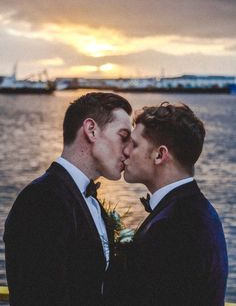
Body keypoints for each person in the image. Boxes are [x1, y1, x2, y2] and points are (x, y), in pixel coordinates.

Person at [4, 92, 132, 306]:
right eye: (123, 136)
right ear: (91, 130)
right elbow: (38, 294)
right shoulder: (42, 200)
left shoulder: (90, 202)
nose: (128, 151)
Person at [122, 102, 228, 306]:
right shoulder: (196, 210)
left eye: (134, 144)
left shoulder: (171, 227)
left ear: (160, 155)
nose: (125, 151)